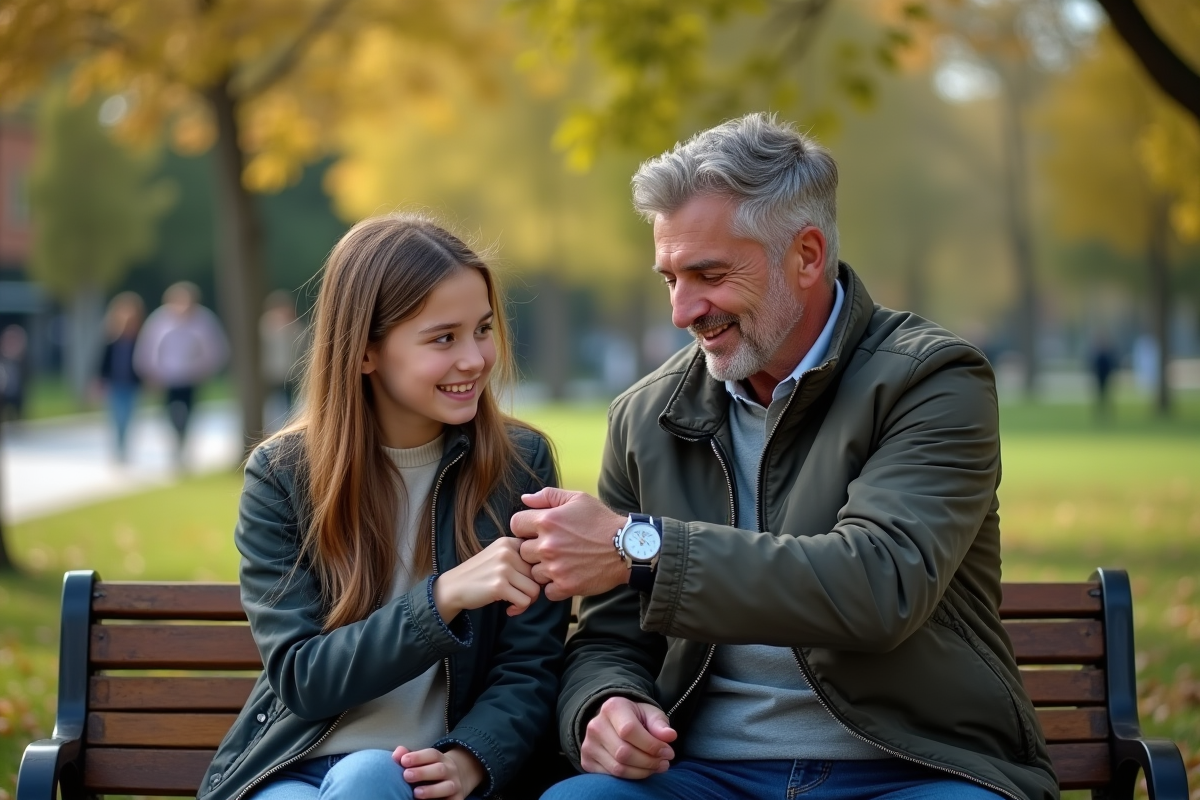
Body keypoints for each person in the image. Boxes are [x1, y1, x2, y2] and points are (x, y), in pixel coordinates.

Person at [511, 113, 1058, 800]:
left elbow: (878, 586)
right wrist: (604, 706)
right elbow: (610, 638)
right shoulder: (644, 416)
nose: (683, 310)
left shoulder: (933, 380)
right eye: (669, 279)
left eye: (708, 274)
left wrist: (637, 544)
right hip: (700, 776)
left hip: (913, 771)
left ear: (805, 256)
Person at [199, 214, 570, 800]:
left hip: (430, 774)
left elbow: (529, 666)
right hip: (290, 770)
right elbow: (304, 677)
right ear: (366, 352)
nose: (474, 359)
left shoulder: (519, 468)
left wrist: (472, 758)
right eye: (443, 338)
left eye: (482, 329)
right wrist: (443, 597)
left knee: (371, 777)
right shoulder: (283, 476)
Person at [133, 281, 228, 467]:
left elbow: (216, 349)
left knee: (189, 411)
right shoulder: (159, 320)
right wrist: (151, 373)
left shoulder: (203, 320)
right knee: (169, 412)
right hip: (166, 377)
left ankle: (183, 441)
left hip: (192, 377)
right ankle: (176, 441)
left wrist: (206, 369)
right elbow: (148, 348)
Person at [97, 292, 145, 461]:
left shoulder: (139, 339)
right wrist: (98, 381)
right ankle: (118, 448)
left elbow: (144, 365)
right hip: (115, 384)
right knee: (116, 417)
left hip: (132, 385)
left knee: (129, 417)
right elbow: (102, 363)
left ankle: (124, 448)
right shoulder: (112, 340)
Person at [261, 288, 309, 424]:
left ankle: (287, 423)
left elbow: (302, 343)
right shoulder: (266, 326)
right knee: (274, 403)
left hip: (290, 371)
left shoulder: (295, 327)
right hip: (273, 372)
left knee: (289, 402)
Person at [0, 324, 29, 422]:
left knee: (18, 417)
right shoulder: (3, 359)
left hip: (17, 393)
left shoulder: (22, 360)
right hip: (4, 393)